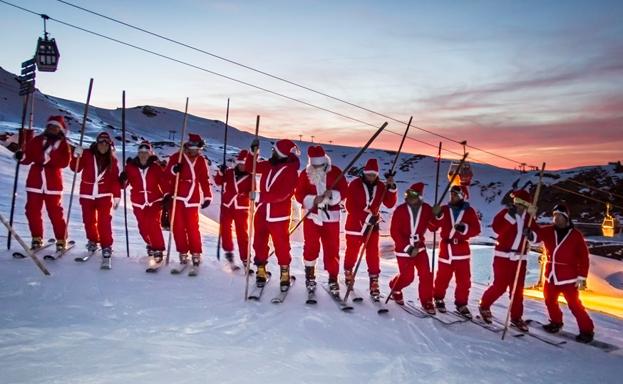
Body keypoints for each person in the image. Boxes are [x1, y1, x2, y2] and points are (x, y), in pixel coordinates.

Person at [532, 204, 594, 343]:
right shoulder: (548, 231)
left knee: (574, 305)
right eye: (554, 216)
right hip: (551, 275)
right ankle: (556, 322)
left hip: (568, 277)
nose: (556, 219)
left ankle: (587, 331)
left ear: (566, 217)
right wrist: (529, 225)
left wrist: (582, 276)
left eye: (559, 216)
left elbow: (584, 257)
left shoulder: (575, 235)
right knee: (549, 301)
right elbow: (535, 236)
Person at [479, 189, 538, 331]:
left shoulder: (529, 218)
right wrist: (511, 218)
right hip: (503, 257)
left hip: (520, 259)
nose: (518, 205)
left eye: (521, 203)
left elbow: (538, 237)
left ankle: (516, 317)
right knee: (499, 286)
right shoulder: (505, 214)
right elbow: (497, 228)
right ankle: (484, 305)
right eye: (516, 202)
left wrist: (531, 235)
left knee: (517, 291)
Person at [246, 138, 300, 291]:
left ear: (281, 153)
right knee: (259, 242)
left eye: (274, 151)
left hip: (279, 215)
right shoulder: (269, 165)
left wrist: (259, 196)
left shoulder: (291, 172)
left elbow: (282, 194)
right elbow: (251, 167)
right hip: (262, 212)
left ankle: (284, 273)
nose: (272, 153)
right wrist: (253, 153)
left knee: (281, 245)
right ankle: (261, 271)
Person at [294, 145, 348, 293]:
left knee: (332, 248)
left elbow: (344, 190)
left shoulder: (335, 172)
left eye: (320, 165)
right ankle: (310, 276)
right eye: (315, 165)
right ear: (311, 163)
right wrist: (312, 200)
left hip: (331, 218)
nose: (318, 167)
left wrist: (332, 195)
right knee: (311, 246)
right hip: (312, 216)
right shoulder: (304, 175)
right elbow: (298, 194)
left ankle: (333, 278)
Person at [343, 158, 397, 299]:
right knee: (352, 252)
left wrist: (391, 187)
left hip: (373, 226)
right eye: (368, 174)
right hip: (355, 225)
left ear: (377, 175)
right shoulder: (355, 184)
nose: (371, 177)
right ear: (364, 173)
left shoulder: (381, 186)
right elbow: (350, 206)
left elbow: (390, 203)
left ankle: (374, 282)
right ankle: (349, 273)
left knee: (373, 254)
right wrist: (366, 217)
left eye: (373, 175)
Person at [18, 115, 71, 252]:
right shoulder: (37, 140)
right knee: (32, 211)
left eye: (55, 127)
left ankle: (61, 239)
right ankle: (36, 237)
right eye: (50, 126)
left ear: (59, 130)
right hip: (35, 181)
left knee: (55, 213)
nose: (52, 129)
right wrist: (20, 156)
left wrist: (46, 158)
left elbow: (65, 162)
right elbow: (27, 157)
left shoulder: (63, 144)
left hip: (53, 183)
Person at [431, 185, 481, 318]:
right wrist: (437, 216)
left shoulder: (469, 211)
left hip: (462, 251)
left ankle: (461, 303)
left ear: (462, 196)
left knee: (464, 281)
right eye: (451, 194)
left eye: (455, 195)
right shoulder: (444, 209)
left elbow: (476, 229)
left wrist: (464, 228)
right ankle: (438, 298)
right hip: (446, 250)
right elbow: (433, 227)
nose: (452, 197)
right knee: (442, 278)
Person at [71, 131, 121, 259]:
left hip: (104, 195)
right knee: (88, 220)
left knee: (104, 222)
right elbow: (75, 168)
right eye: (101, 142)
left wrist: (116, 196)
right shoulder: (87, 154)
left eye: (106, 143)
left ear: (110, 145)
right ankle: (92, 240)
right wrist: (76, 156)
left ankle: (106, 245)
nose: (103, 145)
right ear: (97, 143)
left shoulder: (113, 161)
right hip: (87, 194)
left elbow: (115, 180)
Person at [165, 133, 212, 268]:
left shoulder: (201, 160)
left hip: (192, 198)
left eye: (198, 149)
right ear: (188, 147)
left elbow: (204, 179)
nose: (195, 152)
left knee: (193, 228)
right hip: (177, 196)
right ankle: (182, 252)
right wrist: (174, 170)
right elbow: (166, 174)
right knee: (178, 227)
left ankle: (196, 253)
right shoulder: (177, 157)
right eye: (193, 149)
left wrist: (207, 195)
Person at [388, 182, 436, 313]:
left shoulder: (426, 209)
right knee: (408, 277)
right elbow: (394, 232)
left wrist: (438, 215)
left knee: (426, 274)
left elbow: (434, 227)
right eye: (407, 193)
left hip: (419, 247)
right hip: (403, 249)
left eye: (413, 194)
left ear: (420, 196)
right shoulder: (400, 210)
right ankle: (395, 287)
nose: (409, 196)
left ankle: (427, 300)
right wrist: (408, 248)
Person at [119, 141, 167, 266]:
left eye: (146, 153)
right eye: (141, 153)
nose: (143, 155)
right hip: (138, 202)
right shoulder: (130, 167)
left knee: (153, 223)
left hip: (154, 200)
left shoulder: (155, 167)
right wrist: (123, 179)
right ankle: (150, 244)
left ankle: (159, 248)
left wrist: (167, 195)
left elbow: (163, 182)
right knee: (143, 227)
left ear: (150, 153)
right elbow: (124, 185)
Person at [214, 149, 252, 267]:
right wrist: (220, 172)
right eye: (241, 164)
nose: (243, 166)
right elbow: (218, 182)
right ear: (238, 163)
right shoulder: (229, 172)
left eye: (245, 164)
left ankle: (245, 258)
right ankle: (228, 251)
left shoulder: (250, 176)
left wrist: (246, 194)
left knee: (242, 234)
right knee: (225, 228)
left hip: (241, 208)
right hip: (227, 205)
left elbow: (253, 192)